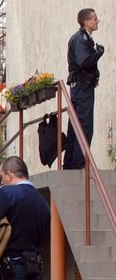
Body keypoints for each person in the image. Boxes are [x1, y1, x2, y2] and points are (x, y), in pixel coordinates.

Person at [64, 8, 104, 170]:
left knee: (76, 124)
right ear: (86, 21)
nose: (97, 21)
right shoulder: (81, 39)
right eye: (94, 18)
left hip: (80, 86)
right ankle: (78, 164)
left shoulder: (82, 38)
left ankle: (71, 163)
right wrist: (98, 53)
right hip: (82, 87)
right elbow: (84, 61)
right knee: (84, 125)